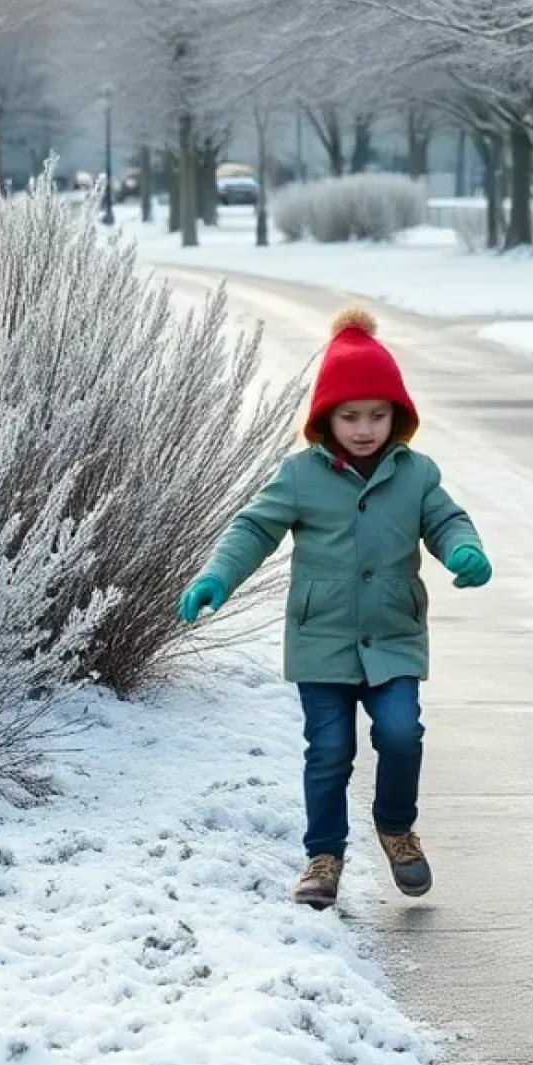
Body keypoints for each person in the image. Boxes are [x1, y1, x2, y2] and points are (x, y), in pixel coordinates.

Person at [176, 307, 492, 910]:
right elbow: (254, 528)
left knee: (401, 734)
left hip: (393, 634)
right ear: (326, 419)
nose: (365, 428)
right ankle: (323, 857)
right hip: (321, 640)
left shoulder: (417, 474)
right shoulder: (300, 476)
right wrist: (217, 576)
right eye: (351, 416)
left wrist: (464, 550)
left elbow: (446, 520)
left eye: (378, 415)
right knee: (329, 752)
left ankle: (396, 827)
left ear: (397, 416)